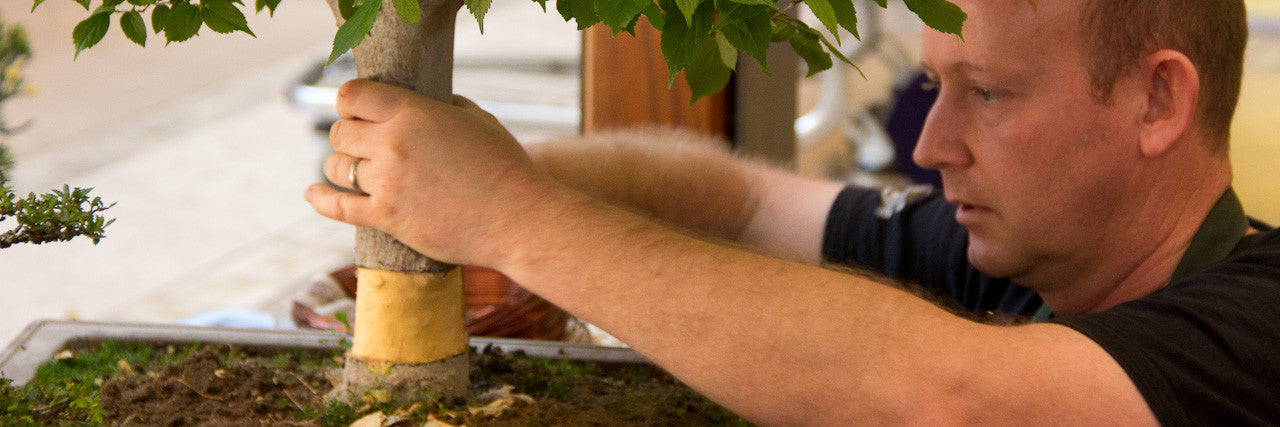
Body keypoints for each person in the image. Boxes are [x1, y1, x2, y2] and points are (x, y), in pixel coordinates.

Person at [304, 0, 1279, 424]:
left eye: (986, 92)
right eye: (936, 87)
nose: (933, 144)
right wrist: (464, 177)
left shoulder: (1257, 330)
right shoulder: (1028, 260)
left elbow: (946, 400)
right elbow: (739, 200)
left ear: (1157, 101)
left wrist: (507, 214)